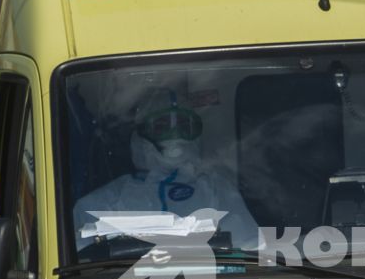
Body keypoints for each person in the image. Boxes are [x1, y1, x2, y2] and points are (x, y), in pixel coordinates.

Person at [73, 88, 261, 248]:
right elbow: (86, 262)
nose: (174, 134)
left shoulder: (215, 189)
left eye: (183, 125)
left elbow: (250, 249)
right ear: (141, 133)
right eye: (161, 125)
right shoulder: (107, 201)